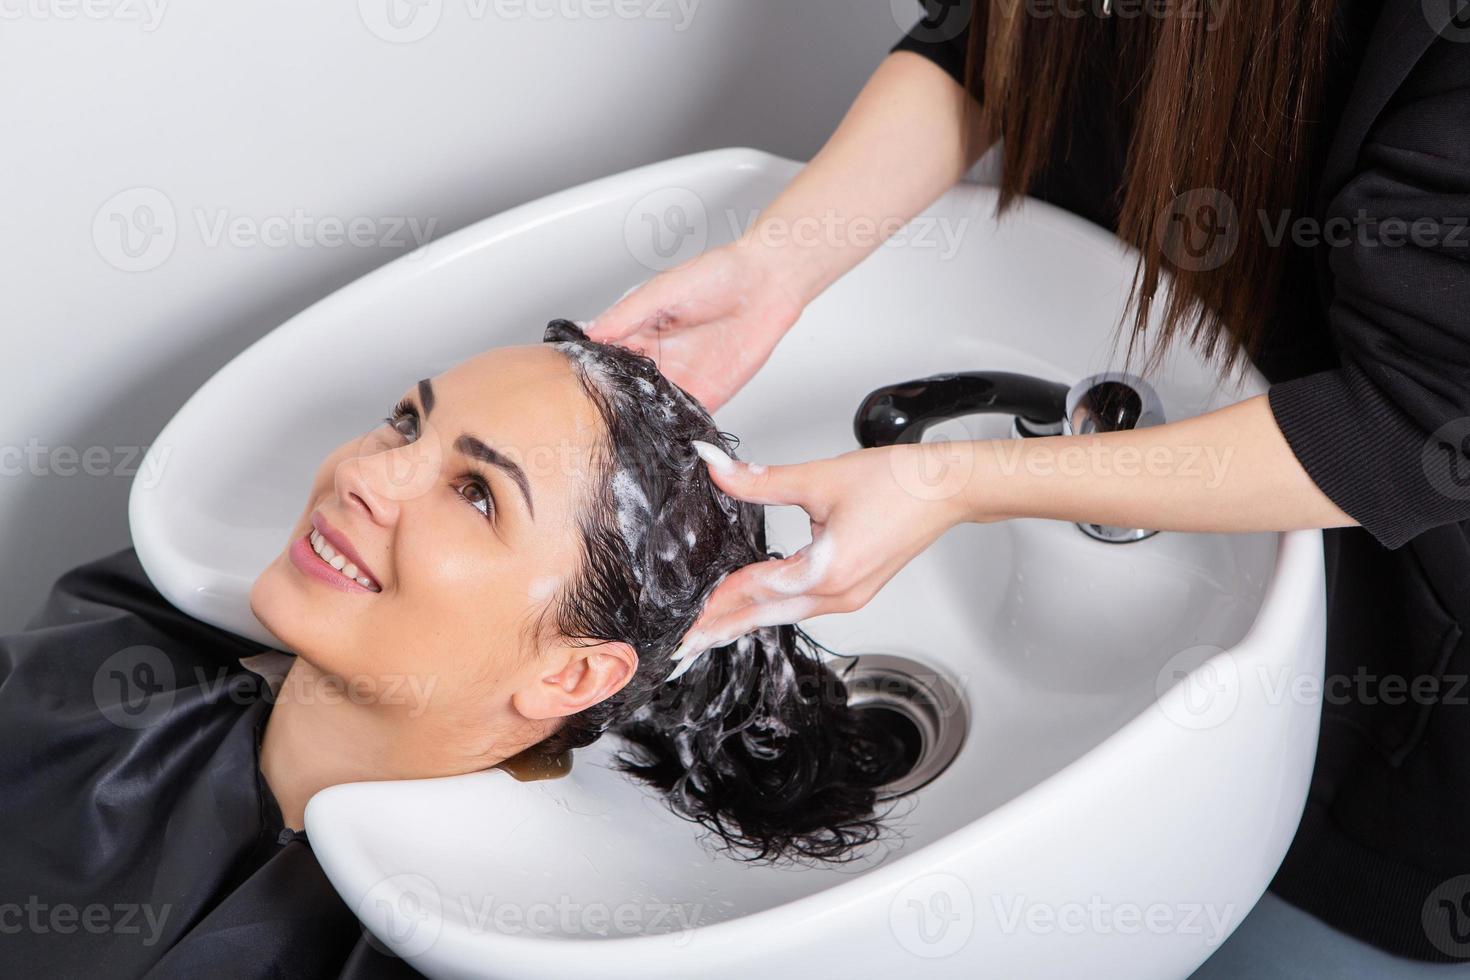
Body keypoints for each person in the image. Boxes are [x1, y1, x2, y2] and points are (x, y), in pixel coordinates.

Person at [586, 0, 1470, 970]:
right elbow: (986, 42)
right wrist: (775, 265)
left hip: (1394, 656)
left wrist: (957, 482)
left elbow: (1410, 423)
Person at [0, 322, 905, 978]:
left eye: (476, 494)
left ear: (574, 673)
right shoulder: (104, 658)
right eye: (405, 422)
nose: (363, 472)